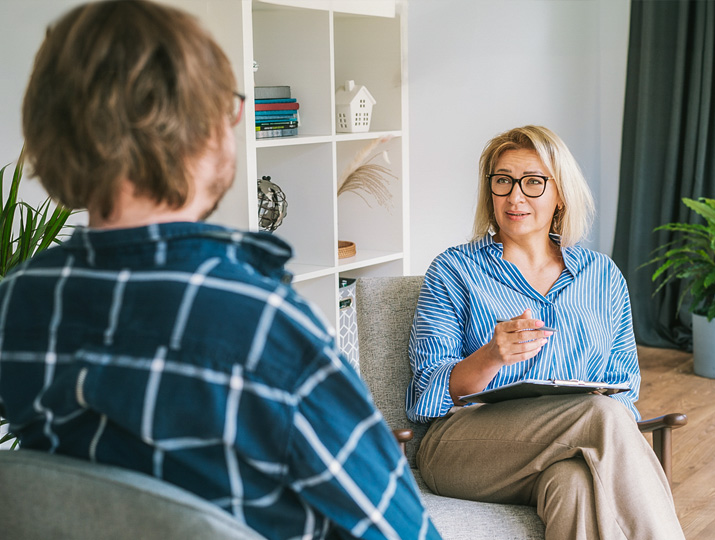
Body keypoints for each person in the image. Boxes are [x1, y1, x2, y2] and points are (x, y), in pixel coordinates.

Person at [0, 2, 441, 539]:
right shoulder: (261, 326)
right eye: (233, 104)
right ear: (203, 128)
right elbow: (405, 532)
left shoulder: (17, 305)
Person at [407, 125, 685, 540]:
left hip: (563, 447)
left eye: (533, 182)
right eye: (503, 181)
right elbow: (425, 395)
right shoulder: (453, 271)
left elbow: (623, 387)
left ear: (560, 194)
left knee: (573, 483)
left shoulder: (602, 275)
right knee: (599, 414)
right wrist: (491, 356)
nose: (515, 196)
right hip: (461, 447)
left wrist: (595, 409)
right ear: (490, 191)